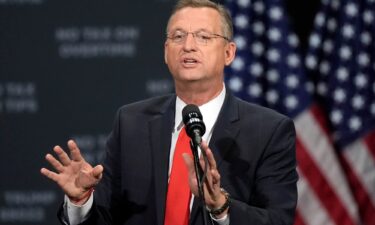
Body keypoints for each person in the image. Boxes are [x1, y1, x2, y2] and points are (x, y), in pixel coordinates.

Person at [41, 0, 298, 224]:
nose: (188, 45)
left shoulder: (268, 131)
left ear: (229, 53)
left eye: (203, 37)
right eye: (178, 36)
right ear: (166, 52)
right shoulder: (131, 123)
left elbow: (278, 220)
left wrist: (221, 207)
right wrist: (81, 201)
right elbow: (106, 217)